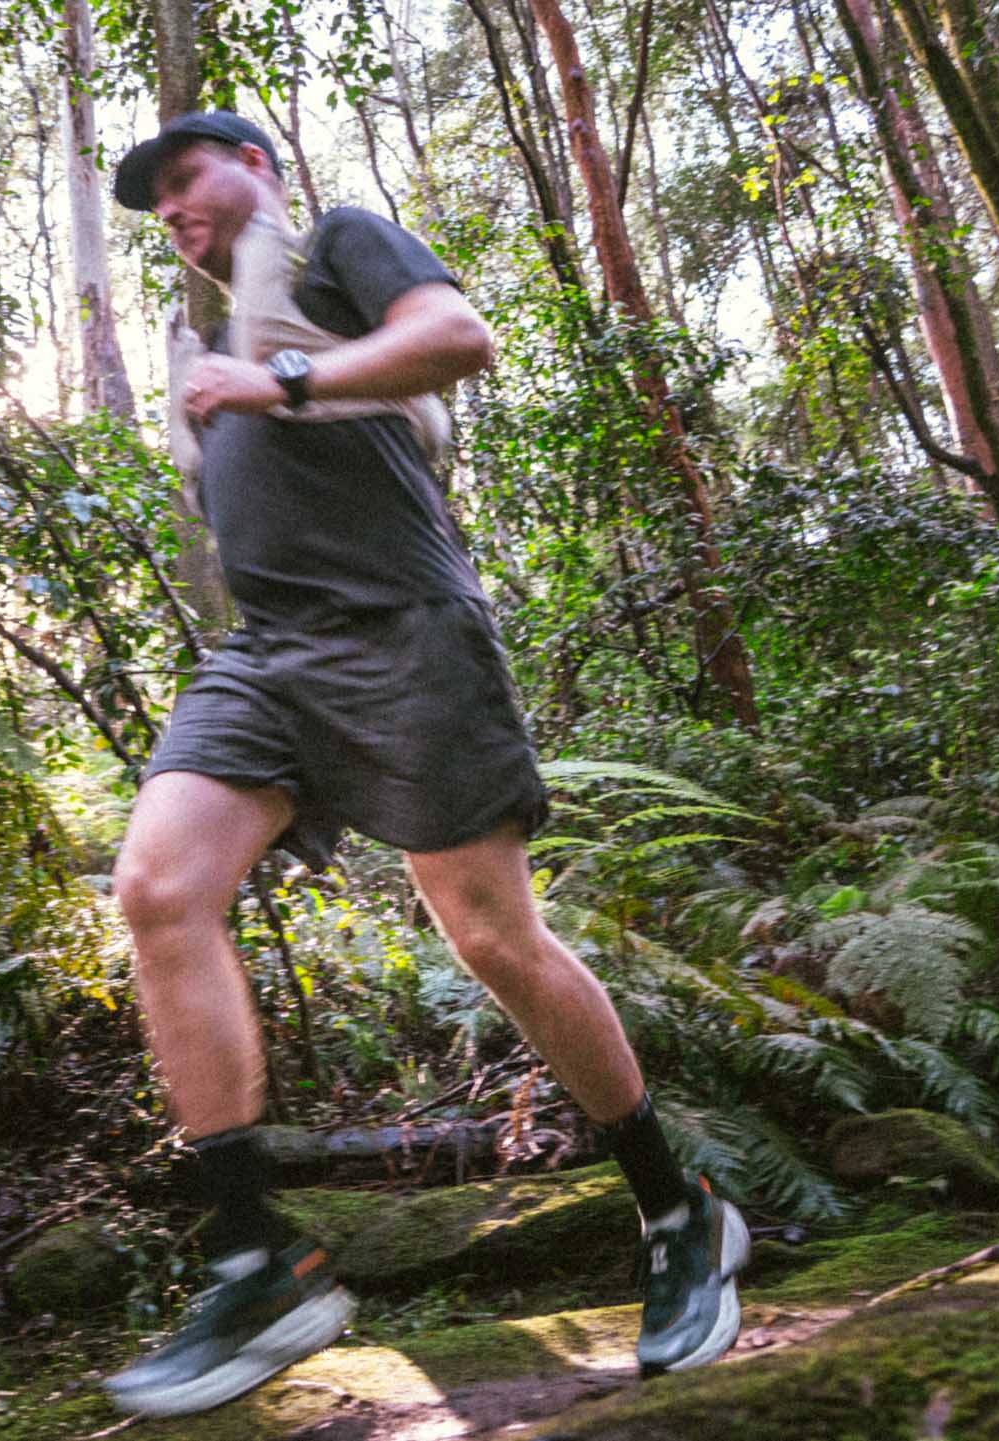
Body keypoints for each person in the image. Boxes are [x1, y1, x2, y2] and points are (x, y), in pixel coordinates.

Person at [102, 111, 749, 1419]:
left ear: (256, 167)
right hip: (269, 655)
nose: (170, 208)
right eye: (153, 200)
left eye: (184, 177)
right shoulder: (213, 341)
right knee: (158, 888)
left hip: (403, 629)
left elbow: (458, 336)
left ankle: (680, 1211)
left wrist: (280, 383)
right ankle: (258, 1263)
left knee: (494, 938)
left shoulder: (334, 249)